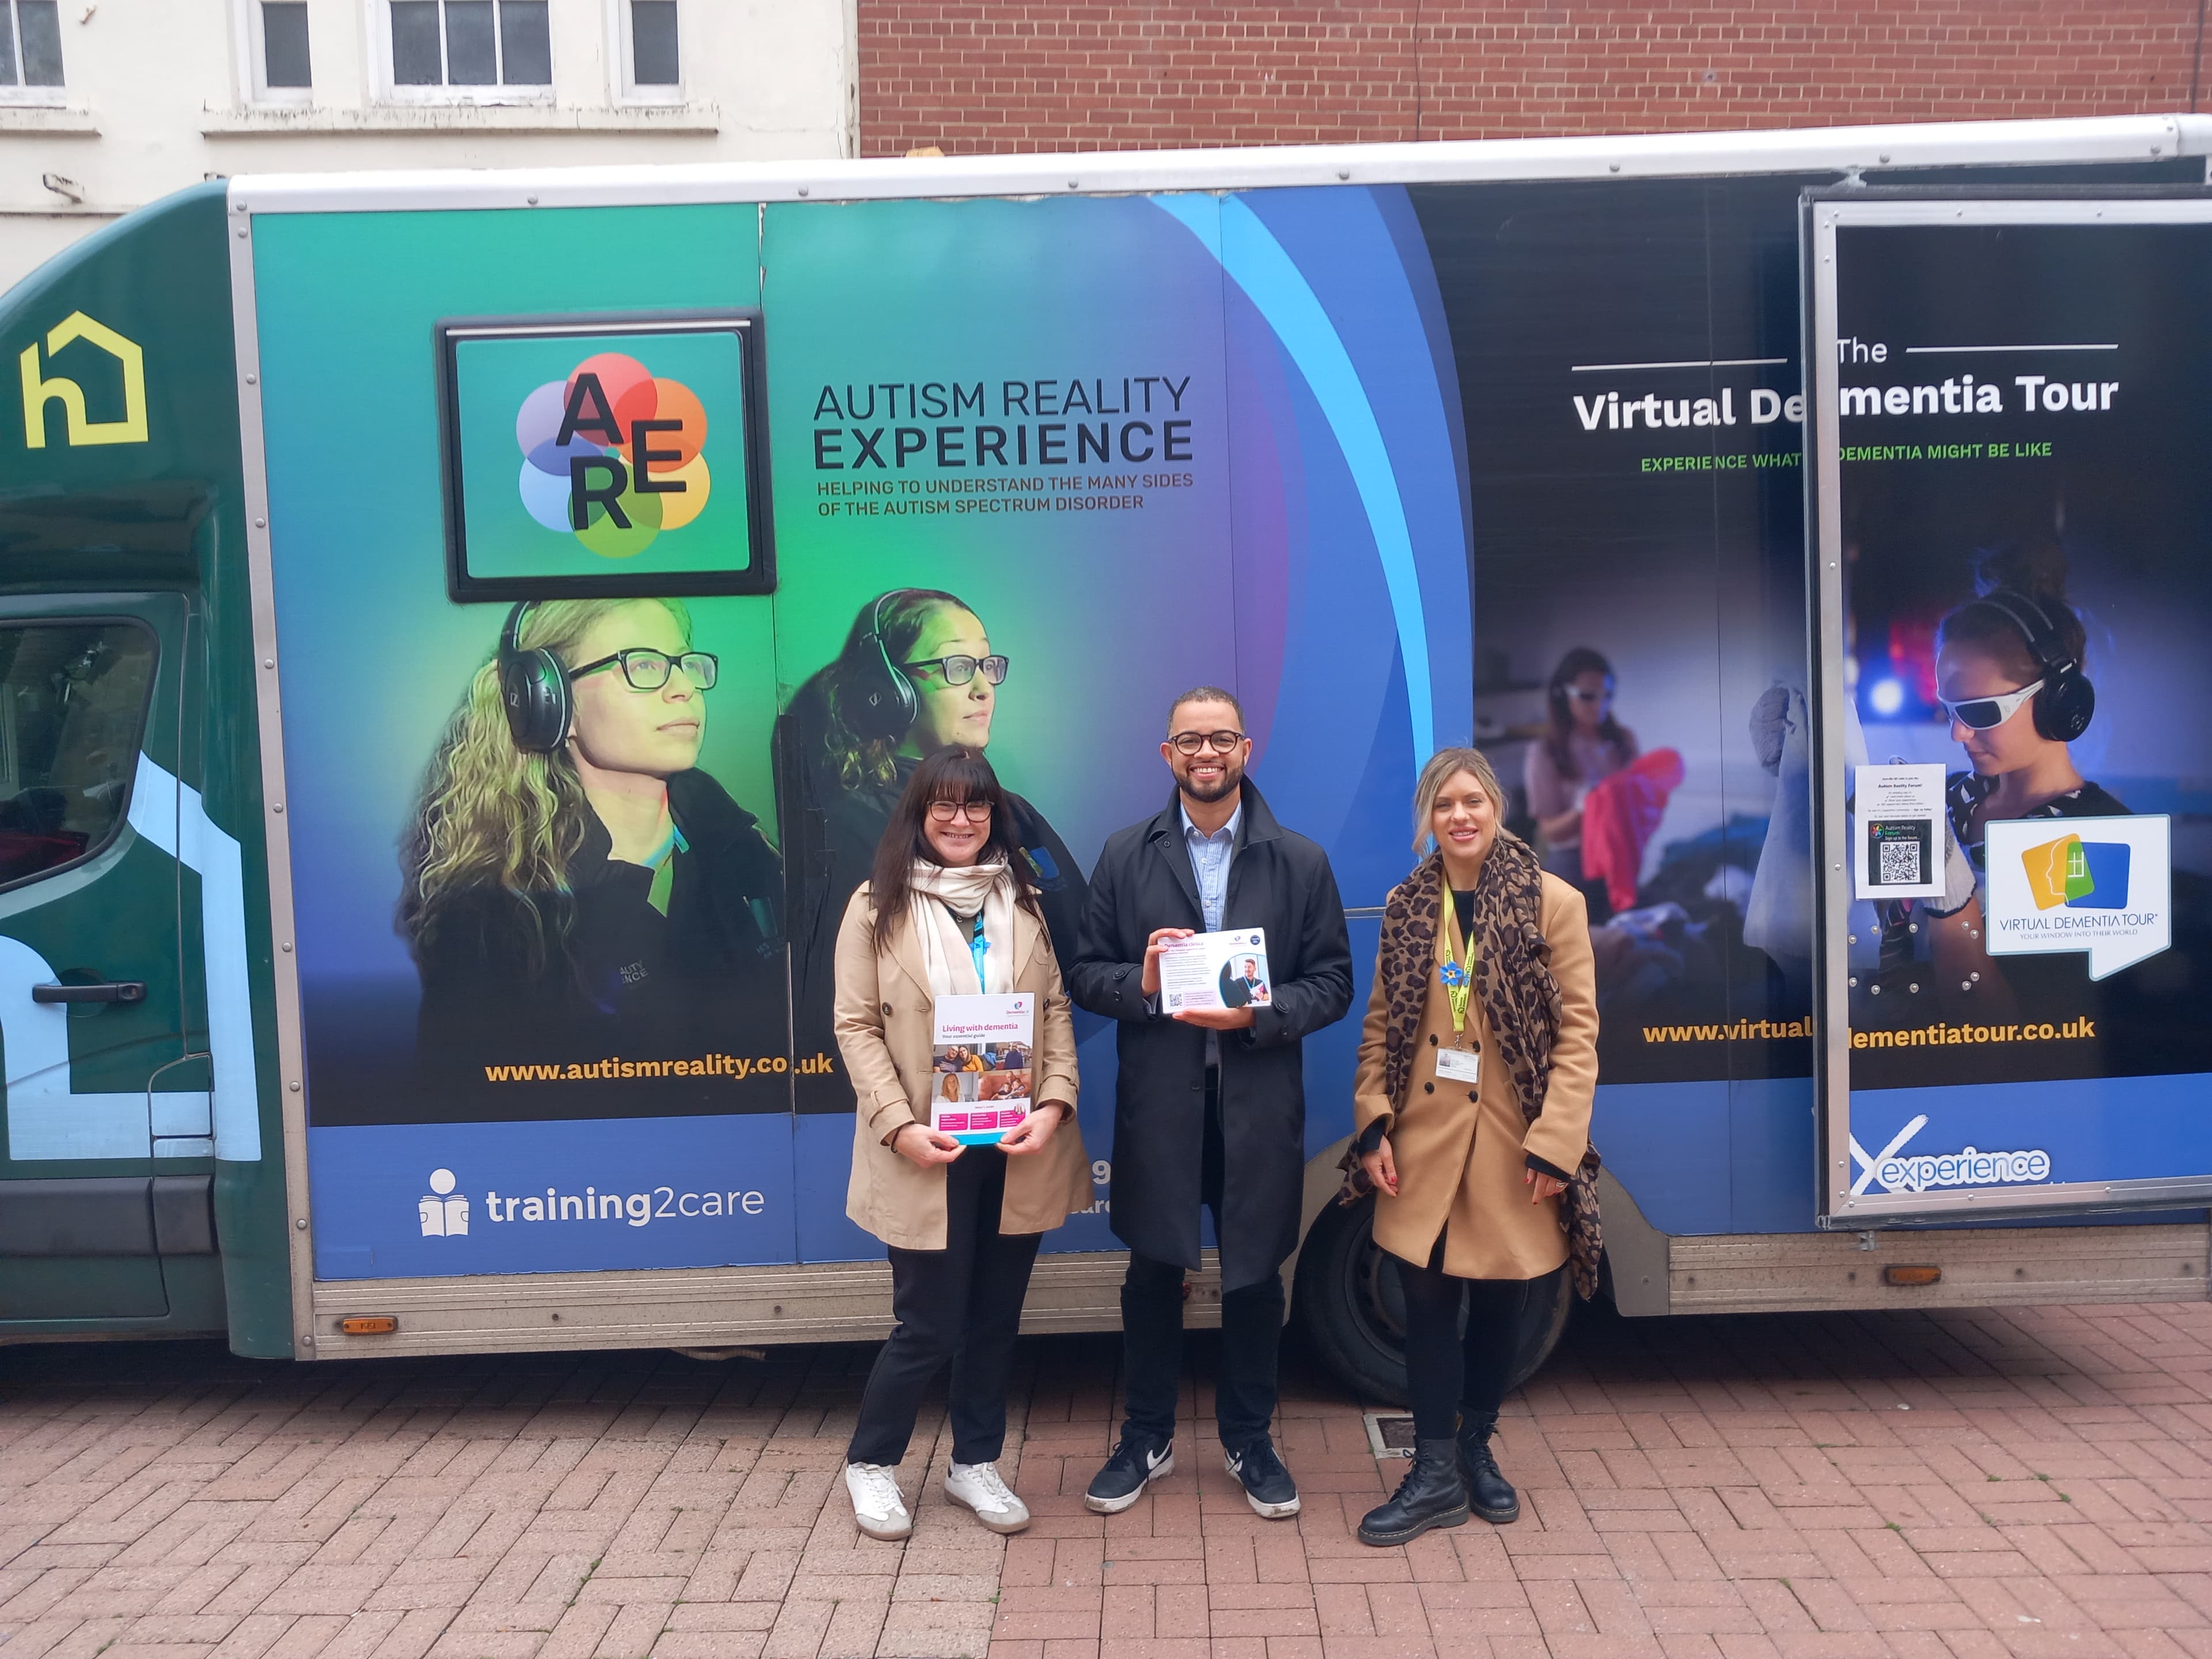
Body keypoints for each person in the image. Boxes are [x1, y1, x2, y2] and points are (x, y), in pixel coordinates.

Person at [1070, 687, 1353, 1519]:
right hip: (1162, 1106)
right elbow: (1086, 974)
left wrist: (1258, 1017)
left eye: (1220, 739)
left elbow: (1333, 983)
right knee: (1153, 1271)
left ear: (1245, 749)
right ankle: (1146, 1437)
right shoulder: (1126, 855)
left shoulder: (1299, 860)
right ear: (1167, 756)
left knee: (1256, 1278)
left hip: (1256, 1104)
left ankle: (1249, 1439)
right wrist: (1143, 981)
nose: (1205, 754)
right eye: (1189, 741)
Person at [832, 745, 1092, 1543]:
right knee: (929, 1325)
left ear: (994, 818)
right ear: (918, 814)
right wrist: (899, 1126)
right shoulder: (875, 906)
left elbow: (1053, 1012)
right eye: (943, 805)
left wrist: (1054, 1104)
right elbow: (856, 1024)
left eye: (976, 807)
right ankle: (872, 1465)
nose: (960, 820)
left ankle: (973, 1463)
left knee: (995, 1320)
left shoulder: (1026, 902)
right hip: (925, 1150)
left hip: (1014, 1146)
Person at [1349, 747, 1599, 1547]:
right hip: (1423, 1139)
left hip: (1510, 1142)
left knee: (1501, 1300)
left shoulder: (1552, 903)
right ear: (1428, 816)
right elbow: (1383, 1024)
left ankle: (1474, 1447)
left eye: (1474, 802)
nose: (1460, 816)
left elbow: (1579, 1037)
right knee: (1423, 1304)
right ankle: (1431, 1474)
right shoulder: (1406, 903)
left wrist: (1557, 1144)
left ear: (1497, 808)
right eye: (1444, 804)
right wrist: (1372, 1123)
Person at [400, 599, 783, 1111]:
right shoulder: (494, 917)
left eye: (686, 663)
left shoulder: (743, 849)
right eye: (644, 665)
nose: (685, 688)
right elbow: (465, 1116)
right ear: (553, 701)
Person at [780, 589, 1088, 1106]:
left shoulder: (1014, 813)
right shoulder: (856, 827)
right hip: (917, 1100)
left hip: (1016, 1095)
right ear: (888, 690)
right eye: (955, 665)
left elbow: (1072, 960)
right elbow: (860, 1015)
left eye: (987, 664)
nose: (983, 687)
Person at [1904, 542, 2126, 1018]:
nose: (1957, 733)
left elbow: (2018, 1041)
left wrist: (1950, 903)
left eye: (1981, 712)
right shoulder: (1951, 798)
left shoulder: (2098, 842)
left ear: (2057, 702)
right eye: (1948, 709)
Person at [1523, 647, 1637, 916]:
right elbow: (1551, 832)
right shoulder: (1545, 752)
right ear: (1564, 695)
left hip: (1621, 858)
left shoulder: (1623, 741)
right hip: (1573, 863)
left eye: (1608, 696)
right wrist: (1585, 808)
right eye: (1588, 697)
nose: (1600, 706)